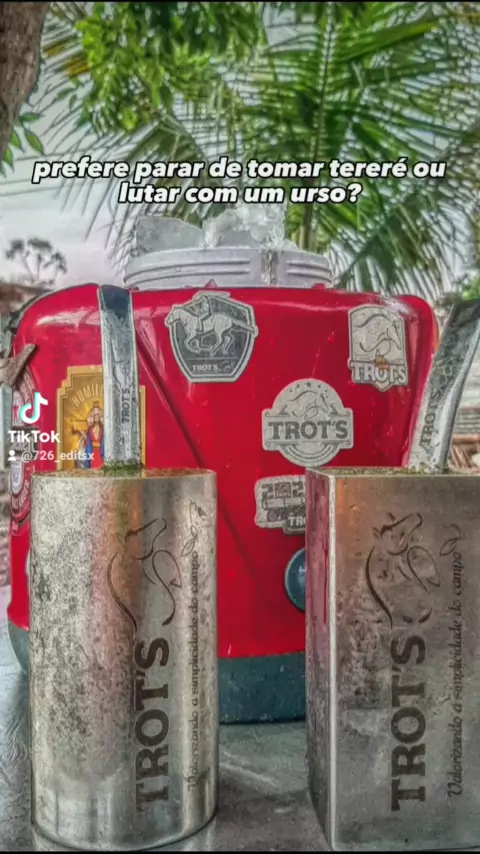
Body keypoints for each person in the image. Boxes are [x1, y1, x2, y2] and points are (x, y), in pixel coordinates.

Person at [84, 403, 104, 468]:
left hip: (100, 450)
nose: (96, 419)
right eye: (95, 418)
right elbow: (88, 440)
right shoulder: (90, 429)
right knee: (92, 465)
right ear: (94, 419)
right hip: (92, 450)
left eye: (98, 417)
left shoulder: (102, 429)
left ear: (99, 418)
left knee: (100, 465)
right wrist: (84, 436)